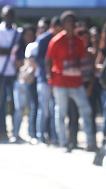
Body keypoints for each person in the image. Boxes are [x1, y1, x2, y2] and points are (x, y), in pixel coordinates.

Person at [45, 10, 97, 153]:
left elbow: (83, 60)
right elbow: (48, 60)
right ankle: (63, 142)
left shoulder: (78, 41)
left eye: (72, 21)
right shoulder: (56, 41)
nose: (70, 24)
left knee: (86, 110)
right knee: (61, 112)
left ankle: (90, 142)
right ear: (63, 24)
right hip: (60, 82)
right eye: (68, 21)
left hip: (76, 82)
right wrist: (50, 79)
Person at [0, 6, 20, 142]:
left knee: (13, 103)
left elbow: (17, 51)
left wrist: (7, 50)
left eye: (11, 15)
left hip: (12, 72)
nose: (8, 17)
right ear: (2, 15)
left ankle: (14, 132)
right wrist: (11, 51)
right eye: (6, 15)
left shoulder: (18, 32)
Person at [34, 16, 61, 145]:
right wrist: (49, 61)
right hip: (44, 80)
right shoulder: (43, 39)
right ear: (52, 27)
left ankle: (55, 137)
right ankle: (41, 136)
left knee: (55, 110)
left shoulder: (62, 39)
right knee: (44, 110)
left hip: (58, 81)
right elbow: (38, 60)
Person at [12, 24, 37, 144]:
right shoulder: (18, 48)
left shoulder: (36, 47)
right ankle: (15, 133)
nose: (30, 37)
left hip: (33, 82)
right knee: (20, 108)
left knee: (32, 108)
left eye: (32, 35)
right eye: (28, 34)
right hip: (21, 82)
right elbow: (16, 63)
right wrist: (28, 62)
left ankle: (31, 133)